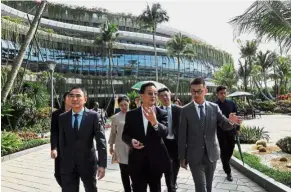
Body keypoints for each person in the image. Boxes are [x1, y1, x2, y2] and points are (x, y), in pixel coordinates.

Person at [178, 78, 242, 192]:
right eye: (193, 91)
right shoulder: (185, 110)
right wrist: (182, 156)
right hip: (194, 156)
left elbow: (223, 124)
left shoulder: (214, 107)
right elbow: (182, 136)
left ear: (205, 90)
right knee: (200, 187)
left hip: (211, 154)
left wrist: (231, 121)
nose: (196, 94)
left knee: (208, 186)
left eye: (199, 91)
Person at [122, 82, 170, 192]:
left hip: (155, 162)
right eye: (150, 93)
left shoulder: (162, 113)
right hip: (137, 162)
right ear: (142, 96)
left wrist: (154, 122)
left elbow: (165, 133)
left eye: (155, 93)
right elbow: (125, 135)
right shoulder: (131, 115)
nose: (153, 96)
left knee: (155, 189)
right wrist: (131, 141)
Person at [59, 87, 107, 192]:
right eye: (71, 96)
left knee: (91, 189)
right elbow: (61, 142)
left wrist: (102, 164)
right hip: (68, 165)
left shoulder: (94, 116)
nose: (74, 98)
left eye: (78, 96)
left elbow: (101, 141)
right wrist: (61, 163)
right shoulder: (62, 118)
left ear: (85, 99)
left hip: (88, 164)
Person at [158, 88, 181, 192]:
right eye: (162, 96)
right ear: (159, 98)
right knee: (167, 165)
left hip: (176, 142)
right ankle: (170, 186)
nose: (165, 97)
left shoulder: (179, 109)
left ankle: (173, 181)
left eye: (166, 95)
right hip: (163, 143)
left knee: (176, 164)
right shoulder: (157, 111)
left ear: (170, 95)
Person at [215, 86, 240, 181]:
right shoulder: (214, 106)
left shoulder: (231, 103)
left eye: (225, 92)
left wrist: (237, 128)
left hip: (231, 131)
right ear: (217, 94)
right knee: (224, 151)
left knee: (231, 149)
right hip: (220, 132)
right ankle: (228, 171)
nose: (223, 94)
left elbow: (236, 116)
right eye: (221, 93)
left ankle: (225, 162)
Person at [109, 95, 132, 192]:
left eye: (125, 104)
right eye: (121, 105)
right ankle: (127, 189)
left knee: (134, 170)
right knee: (124, 171)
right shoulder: (115, 117)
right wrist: (110, 146)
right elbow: (113, 132)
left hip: (133, 147)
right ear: (118, 105)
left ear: (129, 103)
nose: (124, 107)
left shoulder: (135, 114)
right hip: (120, 147)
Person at [50, 91, 71, 187]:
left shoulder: (77, 113)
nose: (72, 99)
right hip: (60, 148)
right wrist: (53, 148)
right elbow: (54, 132)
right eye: (69, 97)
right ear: (64, 99)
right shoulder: (56, 114)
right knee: (58, 174)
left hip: (74, 149)